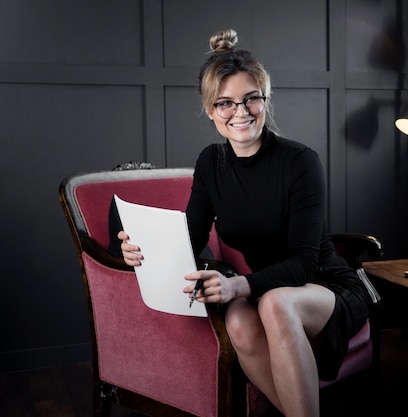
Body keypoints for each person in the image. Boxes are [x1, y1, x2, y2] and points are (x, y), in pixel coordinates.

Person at [116, 28, 370, 417]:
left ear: (265, 99)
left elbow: (304, 262)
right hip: (264, 287)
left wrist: (238, 284)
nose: (241, 112)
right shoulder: (210, 163)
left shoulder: (300, 161)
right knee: (237, 314)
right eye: (226, 103)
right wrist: (140, 249)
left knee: (274, 304)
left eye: (252, 99)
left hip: (323, 287)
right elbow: (190, 239)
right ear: (209, 109)